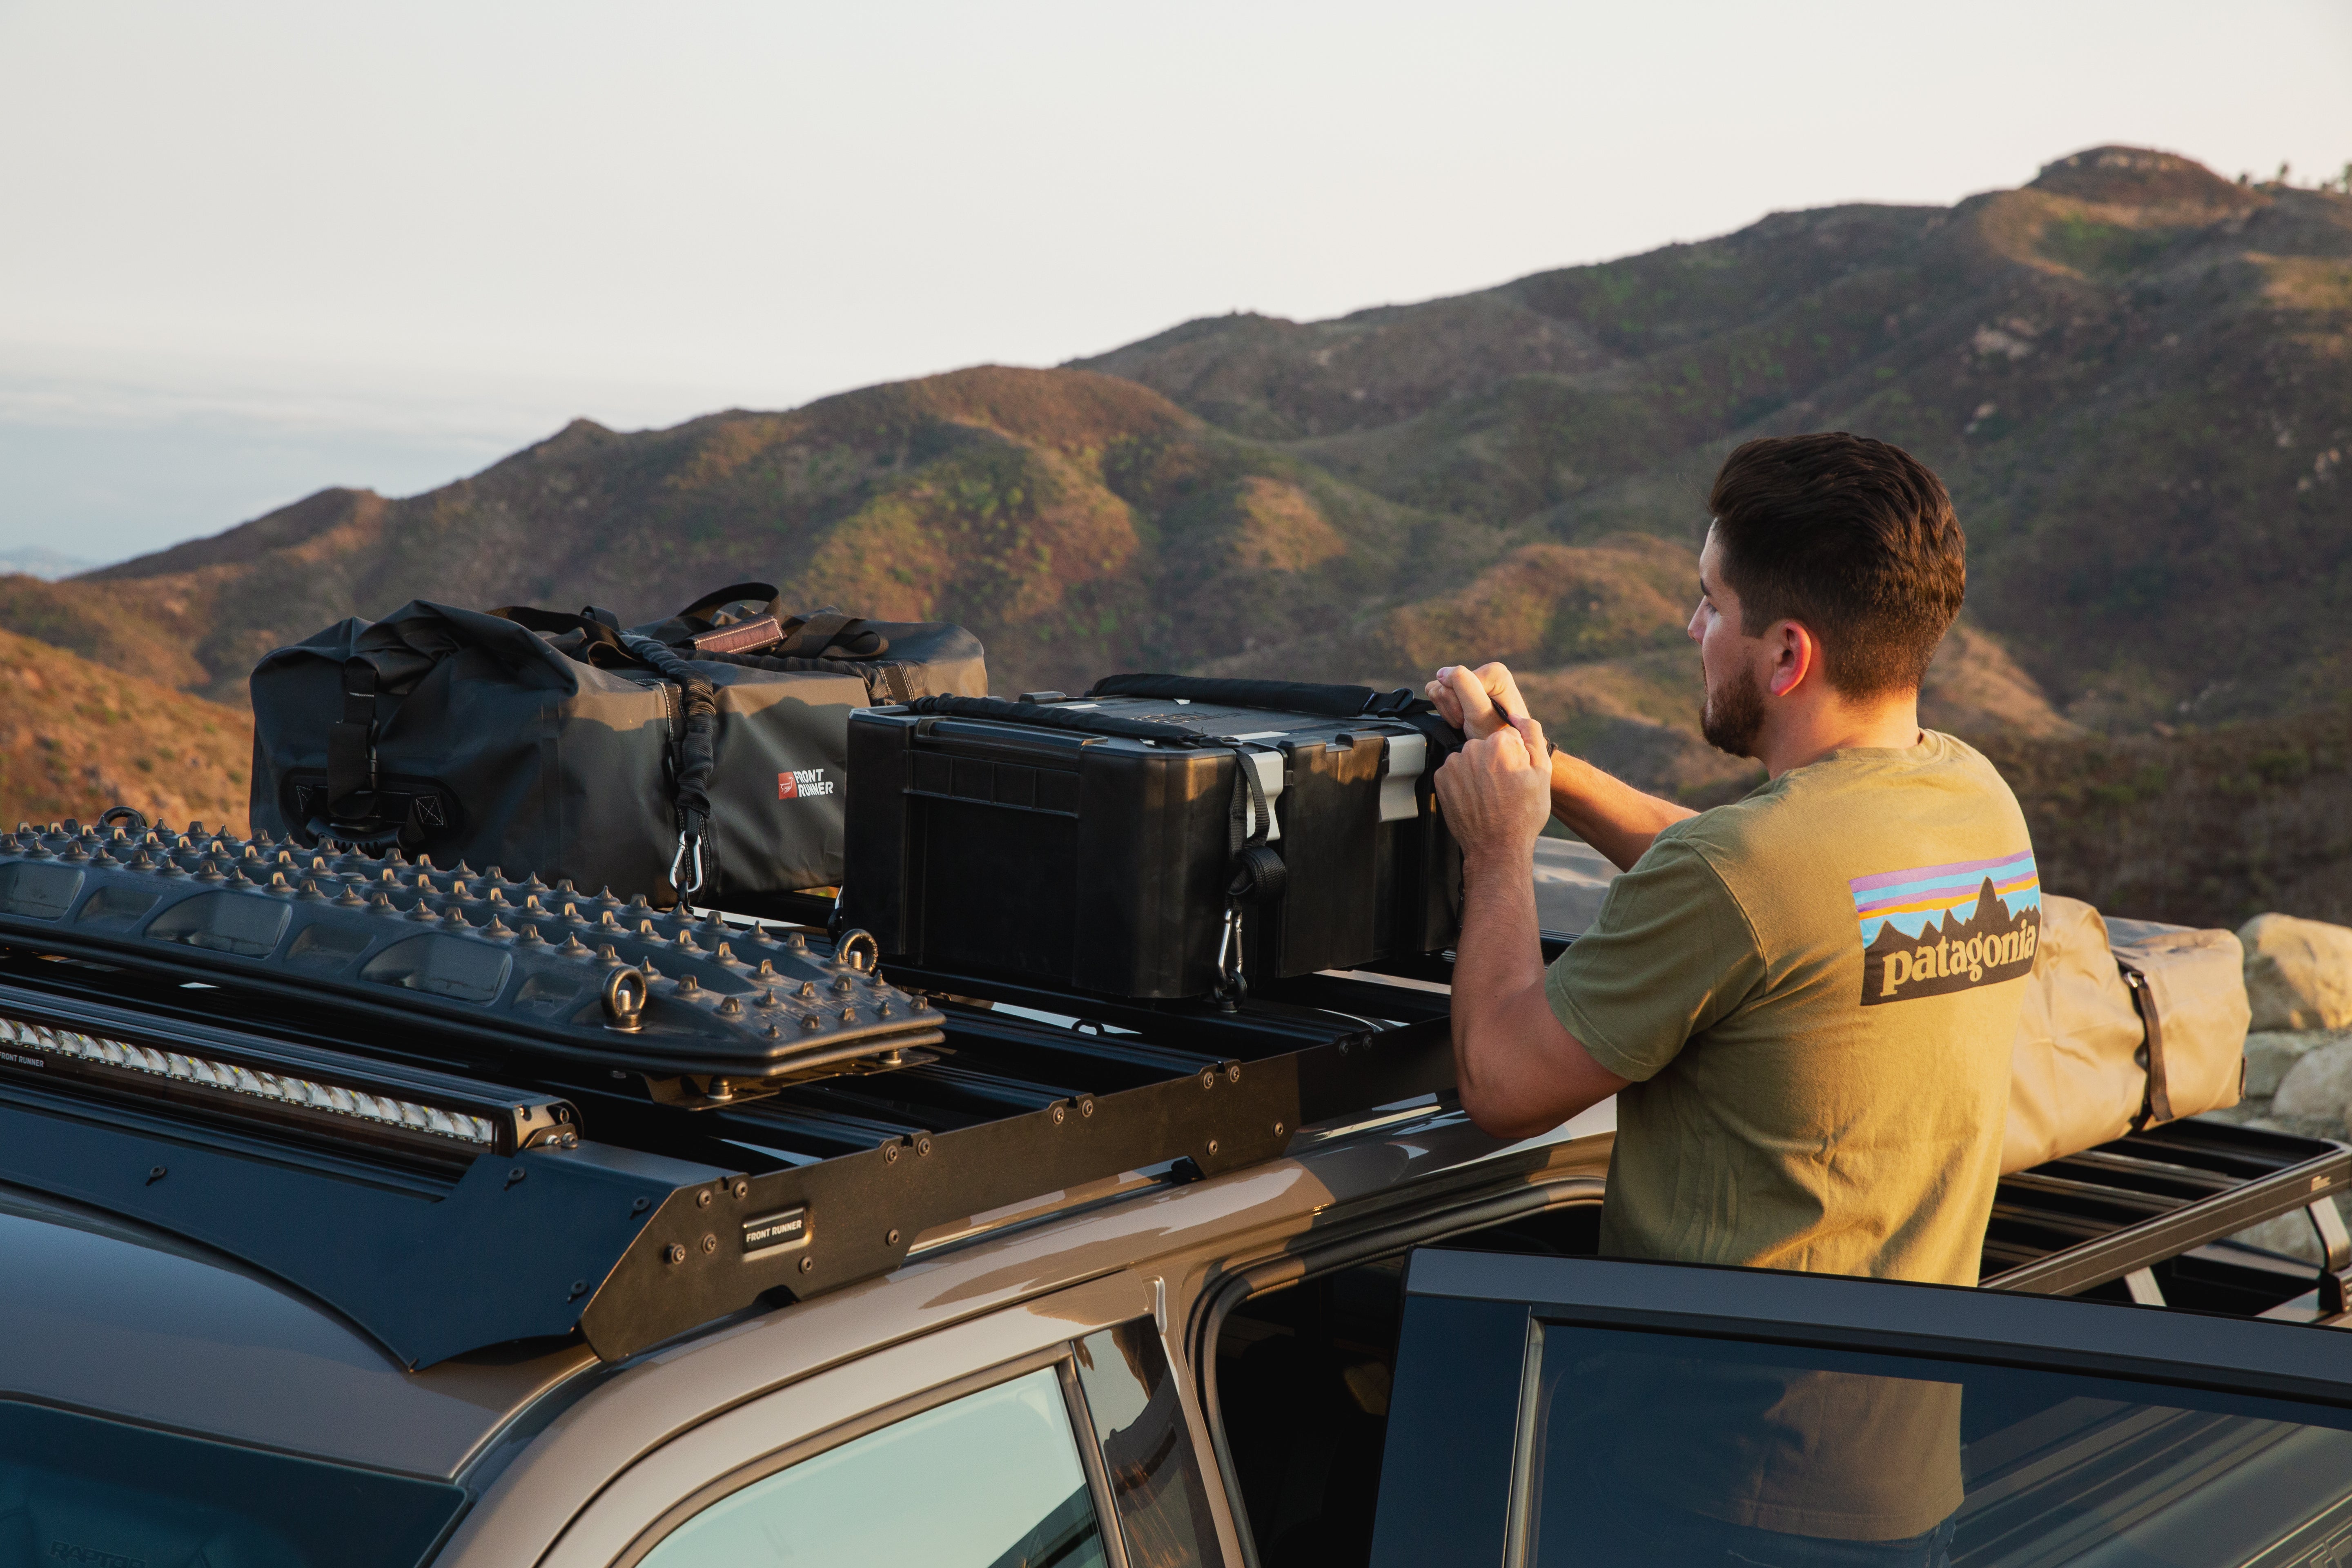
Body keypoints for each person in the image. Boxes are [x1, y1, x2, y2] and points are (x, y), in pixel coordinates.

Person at [1428, 432, 2041, 1564]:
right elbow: (1759, 886)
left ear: (1789, 653)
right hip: (1902, 1479)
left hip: (1714, 1495)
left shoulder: (1747, 874)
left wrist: (1499, 848)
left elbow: (1501, 1084)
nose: (1691, 627)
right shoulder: (1972, 799)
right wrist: (1548, 774)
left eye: (1713, 603)